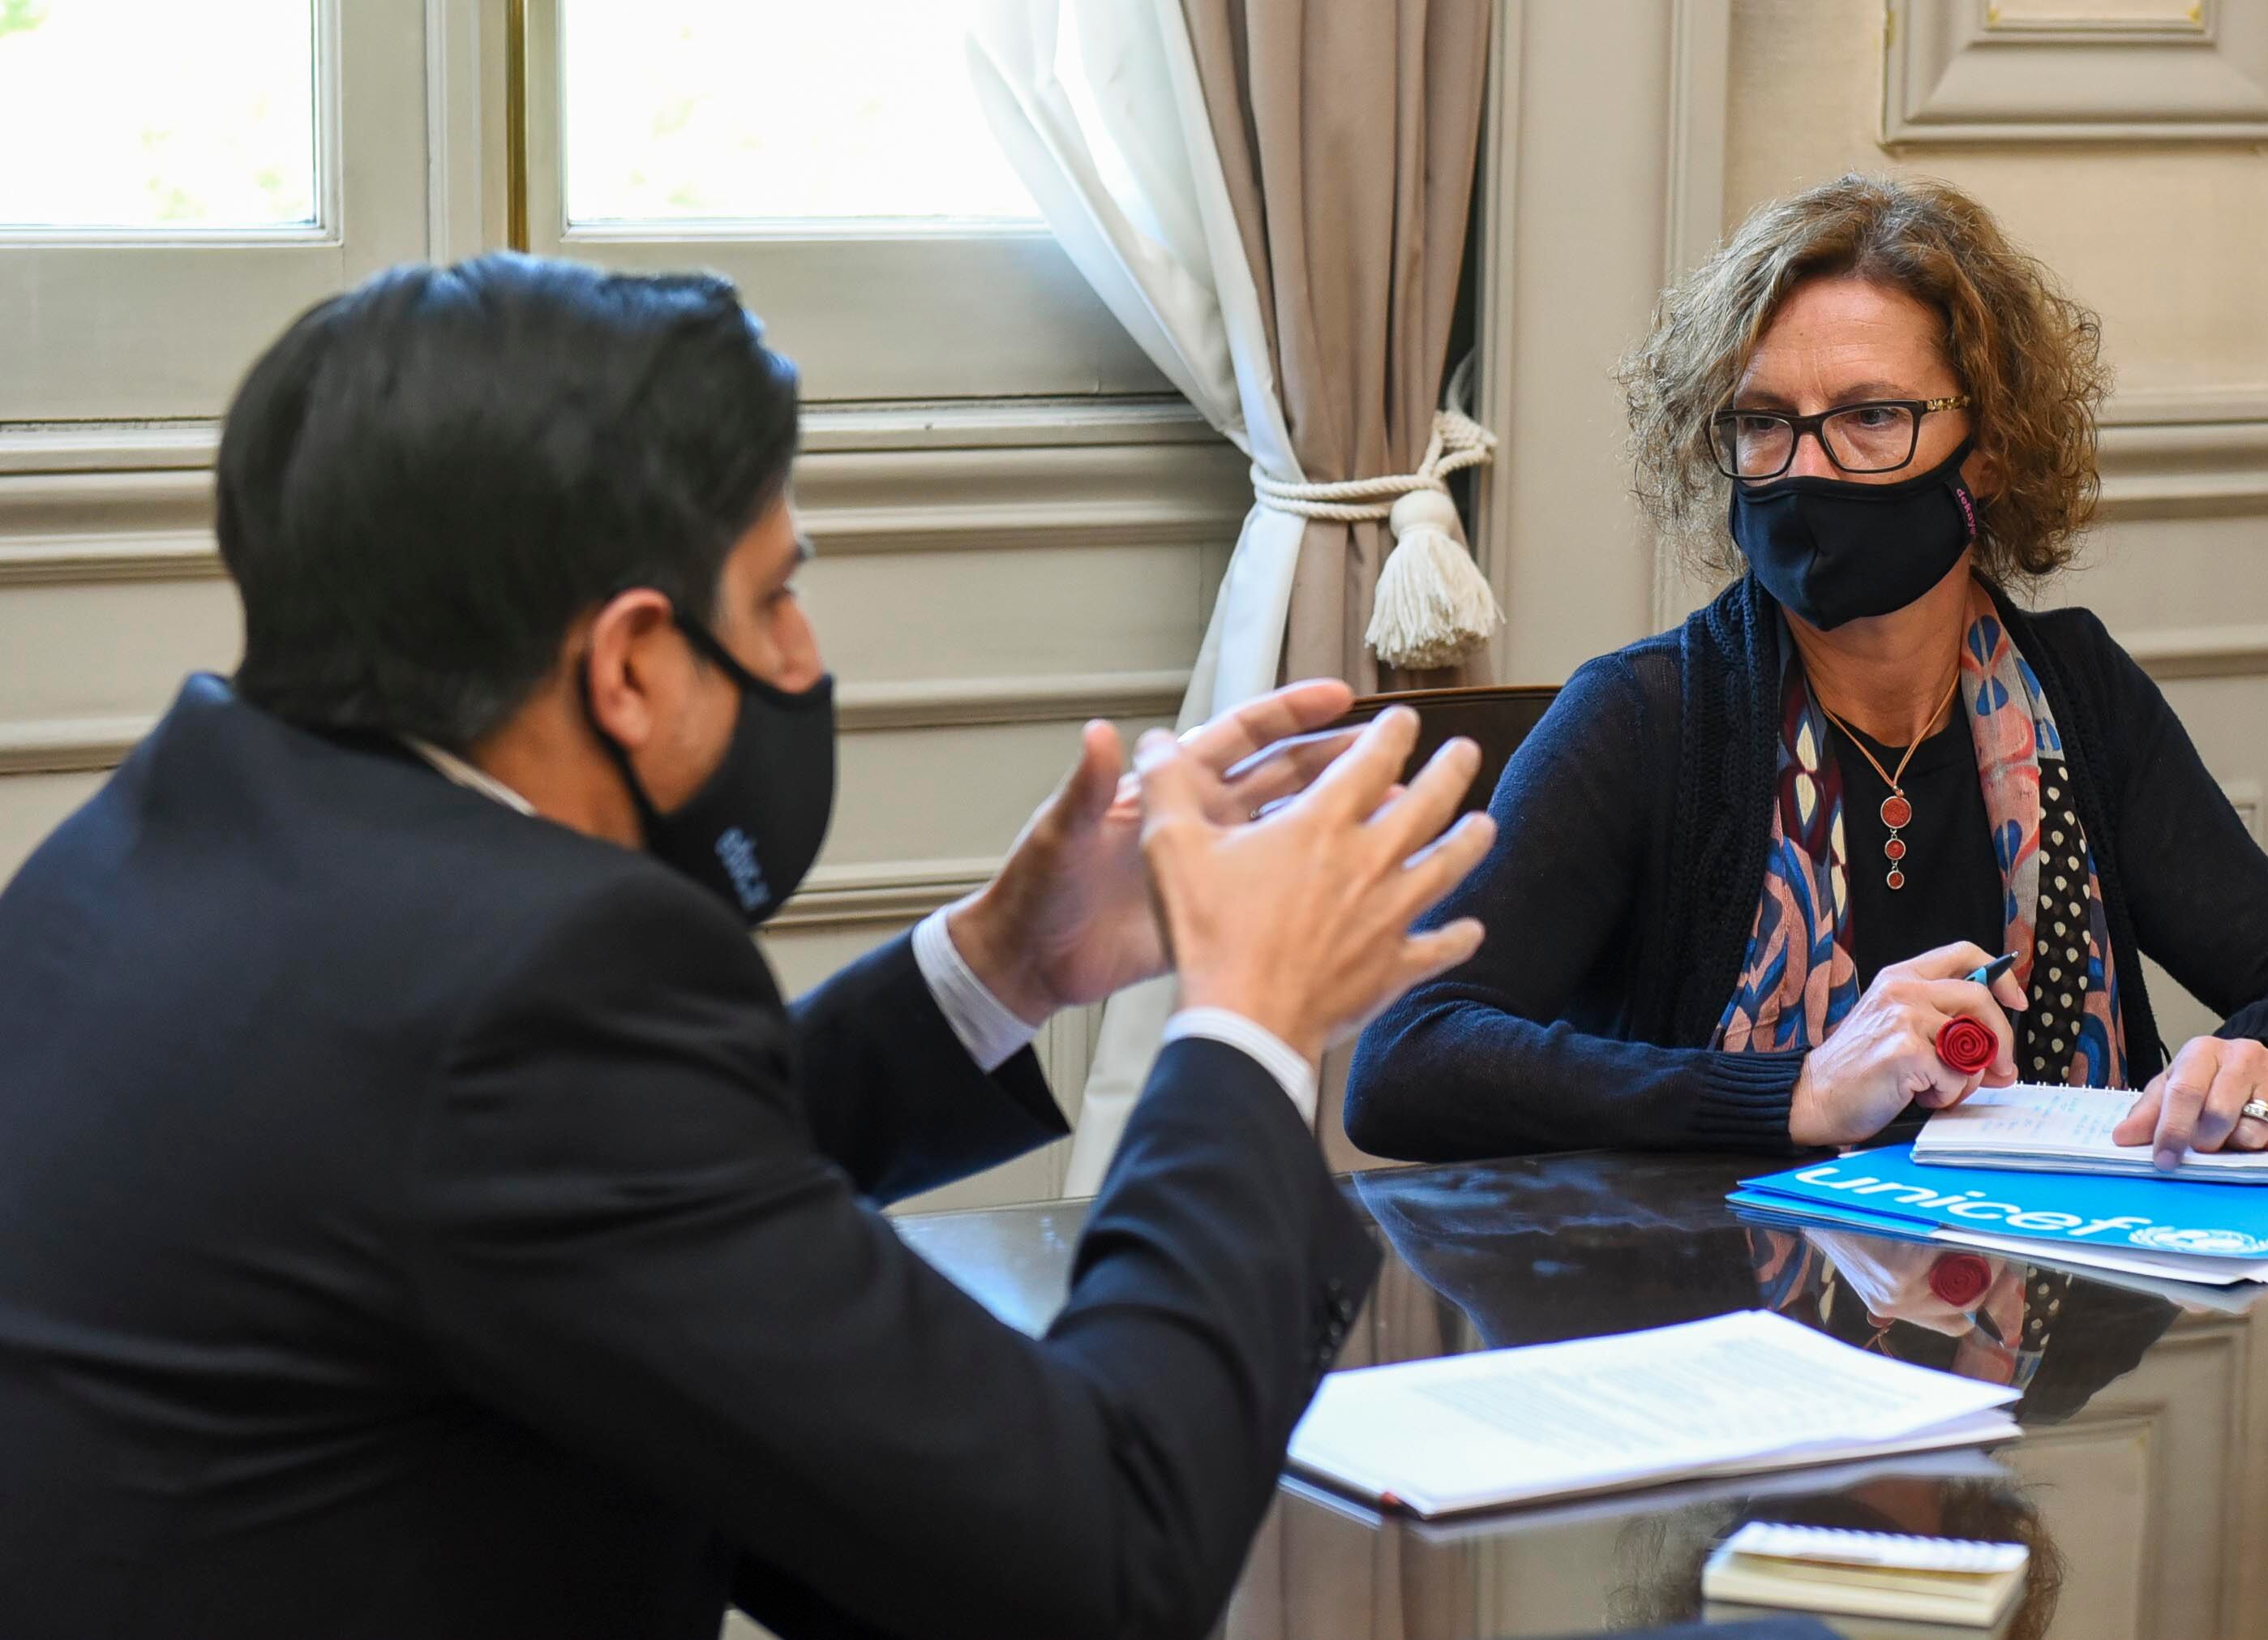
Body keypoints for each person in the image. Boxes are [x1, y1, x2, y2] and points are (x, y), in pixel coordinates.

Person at [0, 255, 1496, 1640]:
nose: (803, 655)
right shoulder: (533, 987)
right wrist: (1243, 1021)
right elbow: (1101, 1559)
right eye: (776, 593)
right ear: (632, 661)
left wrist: (1003, 962)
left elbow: (596, 1191)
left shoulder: (140, 856)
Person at [1348, 173, 2268, 1166]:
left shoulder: (2077, 693)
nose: (1805, 469)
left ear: (1985, 449)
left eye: (1868, 419)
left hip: (2052, 1311)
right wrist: (1791, 1091)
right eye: (1763, 424)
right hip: (1715, 1321)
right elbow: (1405, 1058)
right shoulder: (1642, 718)